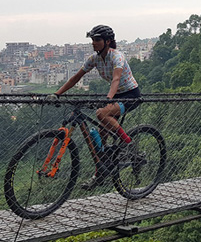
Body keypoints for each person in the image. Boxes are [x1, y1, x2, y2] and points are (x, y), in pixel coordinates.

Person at [48, 25, 142, 189]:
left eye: (97, 40)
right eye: (92, 40)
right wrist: (57, 94)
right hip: (114, 96)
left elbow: (116, 79)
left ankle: (128, 143)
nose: (94, 43)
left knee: (101, 113)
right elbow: (76, 78)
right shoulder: (94, 59)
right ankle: (100, 174)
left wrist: (108, 98)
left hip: (130, 95)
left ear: (107, 41)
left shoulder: (117, 57)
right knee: (100, 142)